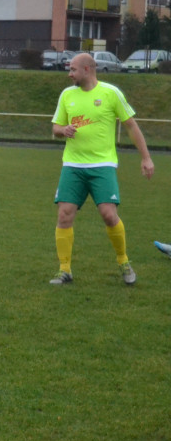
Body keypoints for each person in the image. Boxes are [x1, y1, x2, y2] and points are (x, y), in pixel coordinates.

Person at [50, 53, 154, 286]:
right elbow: (55, 127)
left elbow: (131, 126)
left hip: (102, 166)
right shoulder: (67, 95)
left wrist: (145, 158)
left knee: (109, 215)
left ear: (87, 69)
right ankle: (64, 270)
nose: (69, 74)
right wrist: (62, 130)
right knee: (64, 215)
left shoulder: (111, 93)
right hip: (73, 166)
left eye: (73, 69)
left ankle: (124, 262)